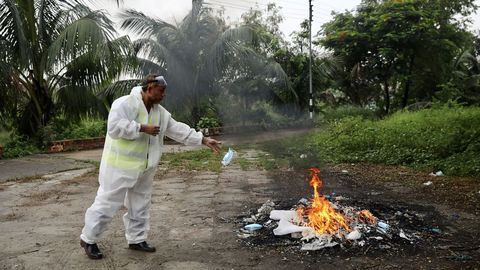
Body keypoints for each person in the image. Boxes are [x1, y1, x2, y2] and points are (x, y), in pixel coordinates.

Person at [80, 74, 222, 259]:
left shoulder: (160, 113)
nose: (164, 95)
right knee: (107, 204)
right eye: (161, 91)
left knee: (140, 205)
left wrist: (202, 139)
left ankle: (137, 239)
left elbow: (176, 128)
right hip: (119, 168)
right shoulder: (125, 103)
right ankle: (88, 239)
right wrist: (140, 127)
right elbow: (114, 127)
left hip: (145, 168)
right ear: (149, 88)